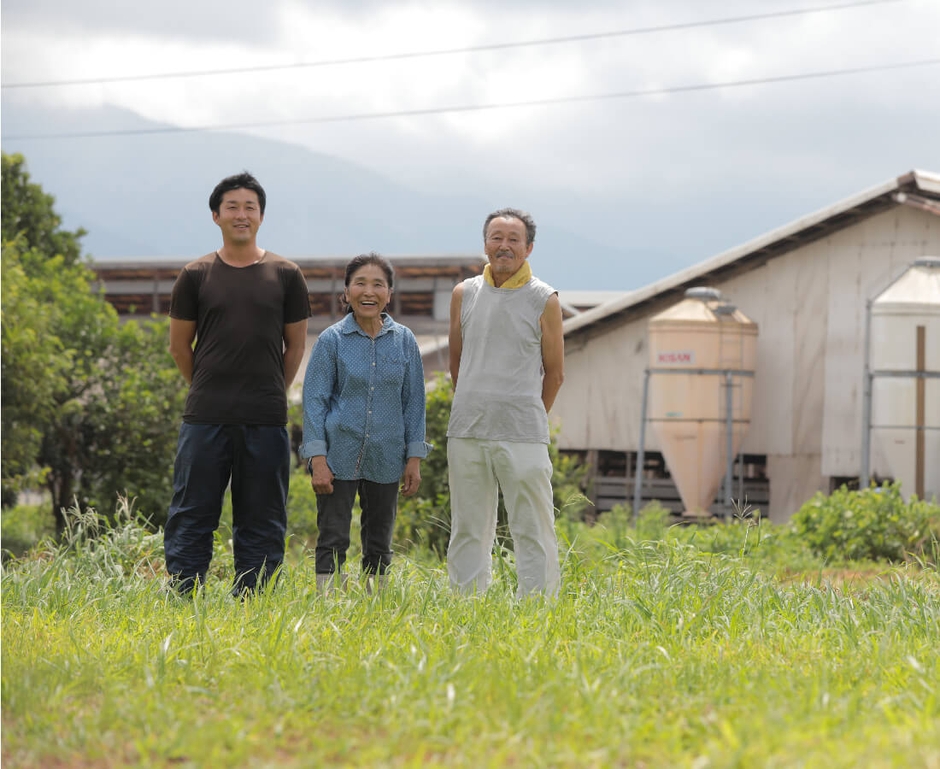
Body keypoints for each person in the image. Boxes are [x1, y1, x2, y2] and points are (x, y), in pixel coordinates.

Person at [164, 172, 310, 596]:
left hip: (266, 418)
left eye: (250, 207)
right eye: (232, 207)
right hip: (205, 415)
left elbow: (295, 348)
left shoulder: (286, 274)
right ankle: (184, 593)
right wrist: (206, 387)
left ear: (261, 216)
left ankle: (254, 597)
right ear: (216, 216)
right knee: (192, 509)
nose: (241, 214)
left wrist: (269, 393)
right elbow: (179, 347)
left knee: (263, 514)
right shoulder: (195, 274)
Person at [446, 207, 565, 598]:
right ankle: (466, 606)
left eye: (514, 239)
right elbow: (457, 360)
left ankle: (538, 607)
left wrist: (525, 413)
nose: (504, 246)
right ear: (485, 244)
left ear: (528, 248)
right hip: (467, 429)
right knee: (467, 526)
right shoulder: (463, 293)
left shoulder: (544, 299)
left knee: (532, 525)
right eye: (496, 237)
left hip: (523, 433)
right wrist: (477, 402)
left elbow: (556, 373)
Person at [300, 253, 430, 592]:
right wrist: (317, 458)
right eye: (360, 283)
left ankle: (377, 603)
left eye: (377, 284)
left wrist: (414, 457)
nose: (368, 291)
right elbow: (313, 401)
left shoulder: (404, 341)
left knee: (379, 537)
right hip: (338, 453)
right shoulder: (332, 341)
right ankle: (329, 601)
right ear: (346, 292)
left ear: (389, 293)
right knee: (332, 533)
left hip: (387, 455)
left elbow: (414, 402)